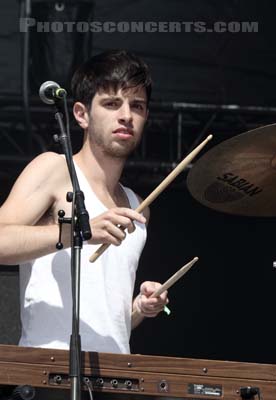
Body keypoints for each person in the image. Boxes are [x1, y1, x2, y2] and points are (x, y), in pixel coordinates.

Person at [0, 50, 168, 354]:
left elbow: (109, 325)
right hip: (48, 370)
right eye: (112, 103)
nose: (126, 115)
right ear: (81, 114)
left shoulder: (138, 206)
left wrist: (140, 309)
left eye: (137, 106)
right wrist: (79, 231)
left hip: (116, 377)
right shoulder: (53, 169)